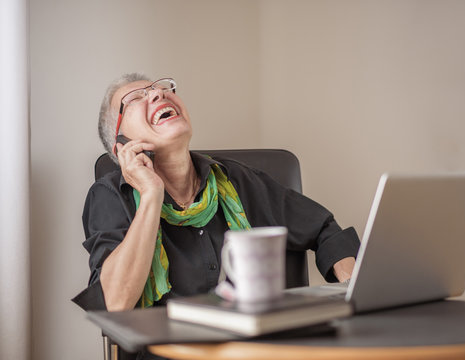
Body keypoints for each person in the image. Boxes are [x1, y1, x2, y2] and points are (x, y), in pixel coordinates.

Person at [73, 73, 360, 356]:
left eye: (161, 87)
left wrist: (355, 287)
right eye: (136, 97)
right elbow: (115, 303)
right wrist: (150, 195)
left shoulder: (237, 180)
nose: (158, 94)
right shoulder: (110, 196)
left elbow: (325, 229)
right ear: (122, 146)